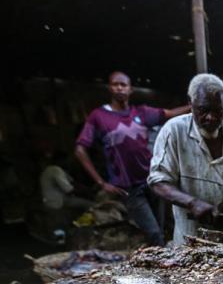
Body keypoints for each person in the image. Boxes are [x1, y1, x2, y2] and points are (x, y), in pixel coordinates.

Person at [75, 71, 189, 246]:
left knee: (161, 228)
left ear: (130, 90)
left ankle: (159, 265)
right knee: (153, 232)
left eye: (123, 85)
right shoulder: (98, 116)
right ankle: (160, 268)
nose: (120, 88)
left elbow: (169, 113)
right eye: (115, 84)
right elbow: (80, 149)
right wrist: (101, 183)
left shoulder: (141, 112)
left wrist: (193, 105)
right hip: (128, 188)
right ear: (109, 88)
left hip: (153, 181)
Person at [147, 74, 223, 245]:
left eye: (218, 111)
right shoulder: (174, 131)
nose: (211, 117)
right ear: (191, 104)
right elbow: (158, 181)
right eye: (203, 110)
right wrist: (192, 203)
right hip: (190, 240)